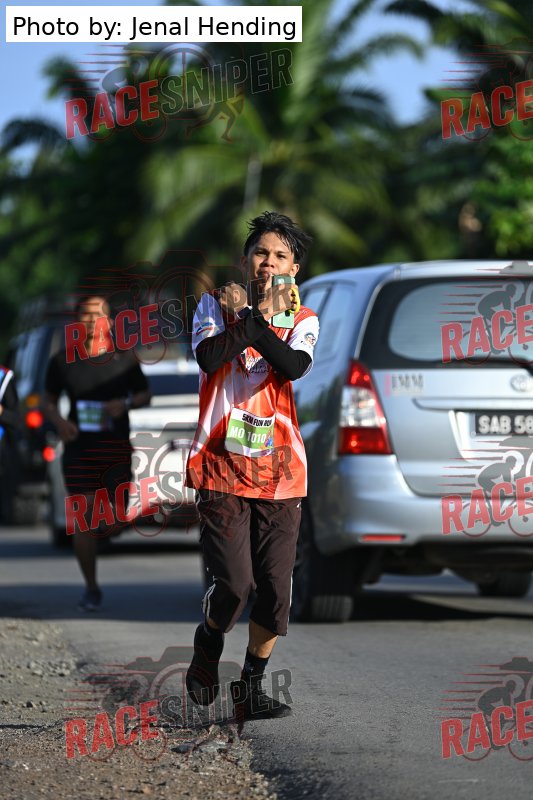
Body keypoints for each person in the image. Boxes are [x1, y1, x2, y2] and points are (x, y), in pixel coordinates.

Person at [185, 211, 319, 722]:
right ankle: (208, 641)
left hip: (281, 473)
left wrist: (253, 316)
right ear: (245, 261)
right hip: (219, 467)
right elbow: (210, 357)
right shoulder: (212, 306)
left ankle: (250, 686)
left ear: (294, 269)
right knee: (236, 585)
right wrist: (250, 316)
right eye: (261, 253)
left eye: (280, 256)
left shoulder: (304, 320)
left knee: (276, 590)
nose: (269, 263)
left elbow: (293, 366)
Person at [44, 295, 151, 611]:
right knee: (83, 518)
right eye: (86, 315)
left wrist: (125, 404)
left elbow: (145, 394)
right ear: (77, 321)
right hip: (79, 449)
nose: (91, 321)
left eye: (98, 315)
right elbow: (48, 401)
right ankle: (91, 587)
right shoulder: (62, 361)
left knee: (114, 517)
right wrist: (60, 422)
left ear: (109, 322)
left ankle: (105, 529)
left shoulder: (124, 359)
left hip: (115, 449)